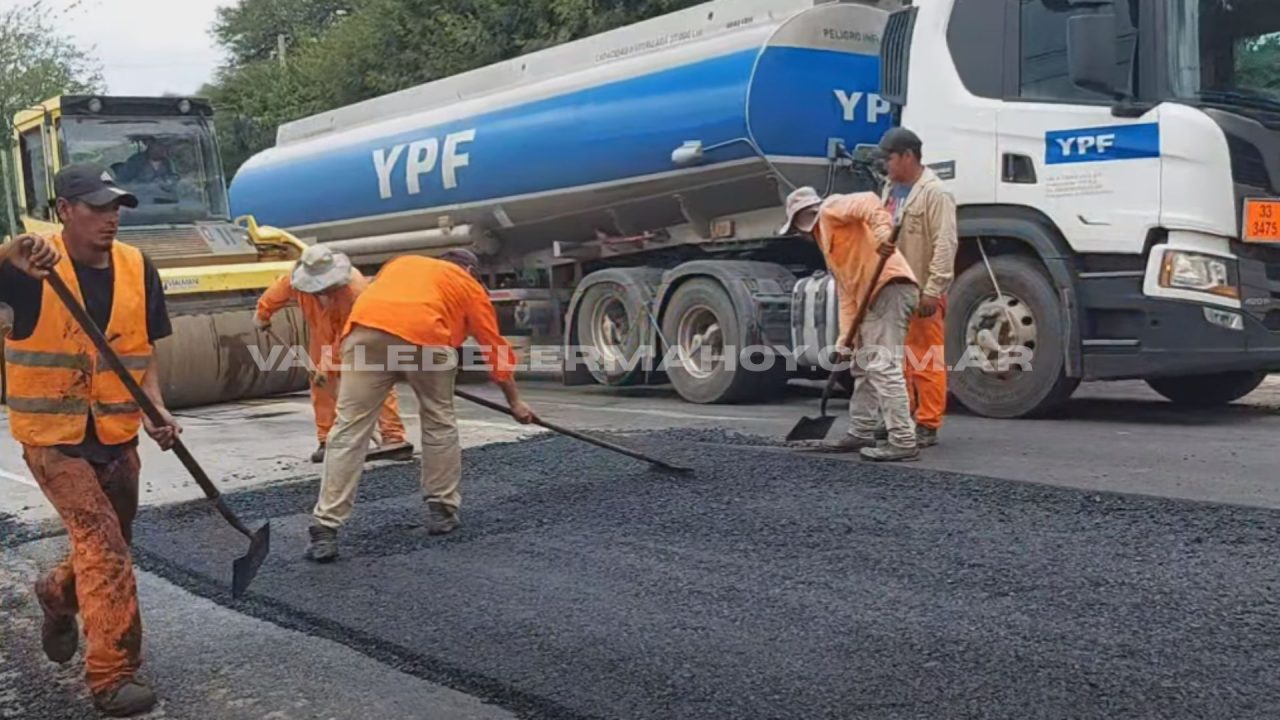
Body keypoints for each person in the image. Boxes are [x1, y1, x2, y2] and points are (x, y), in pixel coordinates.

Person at [0, 164, 181, 717]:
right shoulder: (31, 266)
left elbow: (142, 347)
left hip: (117, 430)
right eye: (98, 206)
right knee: (103, 544)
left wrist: (156, 406)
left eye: (117, 206)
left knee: (113, 539)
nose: (112, 216)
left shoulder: (136, 266)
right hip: (53, 437)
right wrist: (9, 252)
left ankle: (57, 595)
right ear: (65, 210)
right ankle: (112, 675)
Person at [305, 249, 537, 562]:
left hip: (364, 336)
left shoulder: (401, 263)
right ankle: (441, 509)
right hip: (425, 338)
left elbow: (368, 310)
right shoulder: (467, 284)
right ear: (469, 270)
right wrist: (516, 402)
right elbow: (493, 347)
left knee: (347, 430)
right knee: (438, 420)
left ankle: (325, 525)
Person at [779, 186, 921, 462]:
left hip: (888, 287)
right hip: (869, 295)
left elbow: (868, 201)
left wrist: (882, 234)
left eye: (797, 227)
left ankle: (903, 439)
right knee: (862, 365)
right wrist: (846, 341)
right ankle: (861, 430)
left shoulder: (831, 210)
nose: (799, 234)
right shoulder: (827, 242)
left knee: (881, 365)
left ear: (801, 219)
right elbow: (846, 294)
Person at [254, 245, 412, 463]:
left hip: (363, 333)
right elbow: (275, 294)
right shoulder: (296, 281)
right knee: (322, 386)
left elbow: (347, 336)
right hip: (323, 335)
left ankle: (393, 437)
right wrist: (263, 314)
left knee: (375, 379)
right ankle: (327, 440)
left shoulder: (354, 291)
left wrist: (326, 365)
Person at [878, 128, 958, 448]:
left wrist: (933, 289)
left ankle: (927, 423)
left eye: (889, 158)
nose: (886, 165)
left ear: (908, 156)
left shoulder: (935, 193)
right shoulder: (890, 189)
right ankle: (900, 417)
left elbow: (945, 243)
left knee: (924, 358)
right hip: (893, 288)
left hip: (921, 288)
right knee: (895, 359)